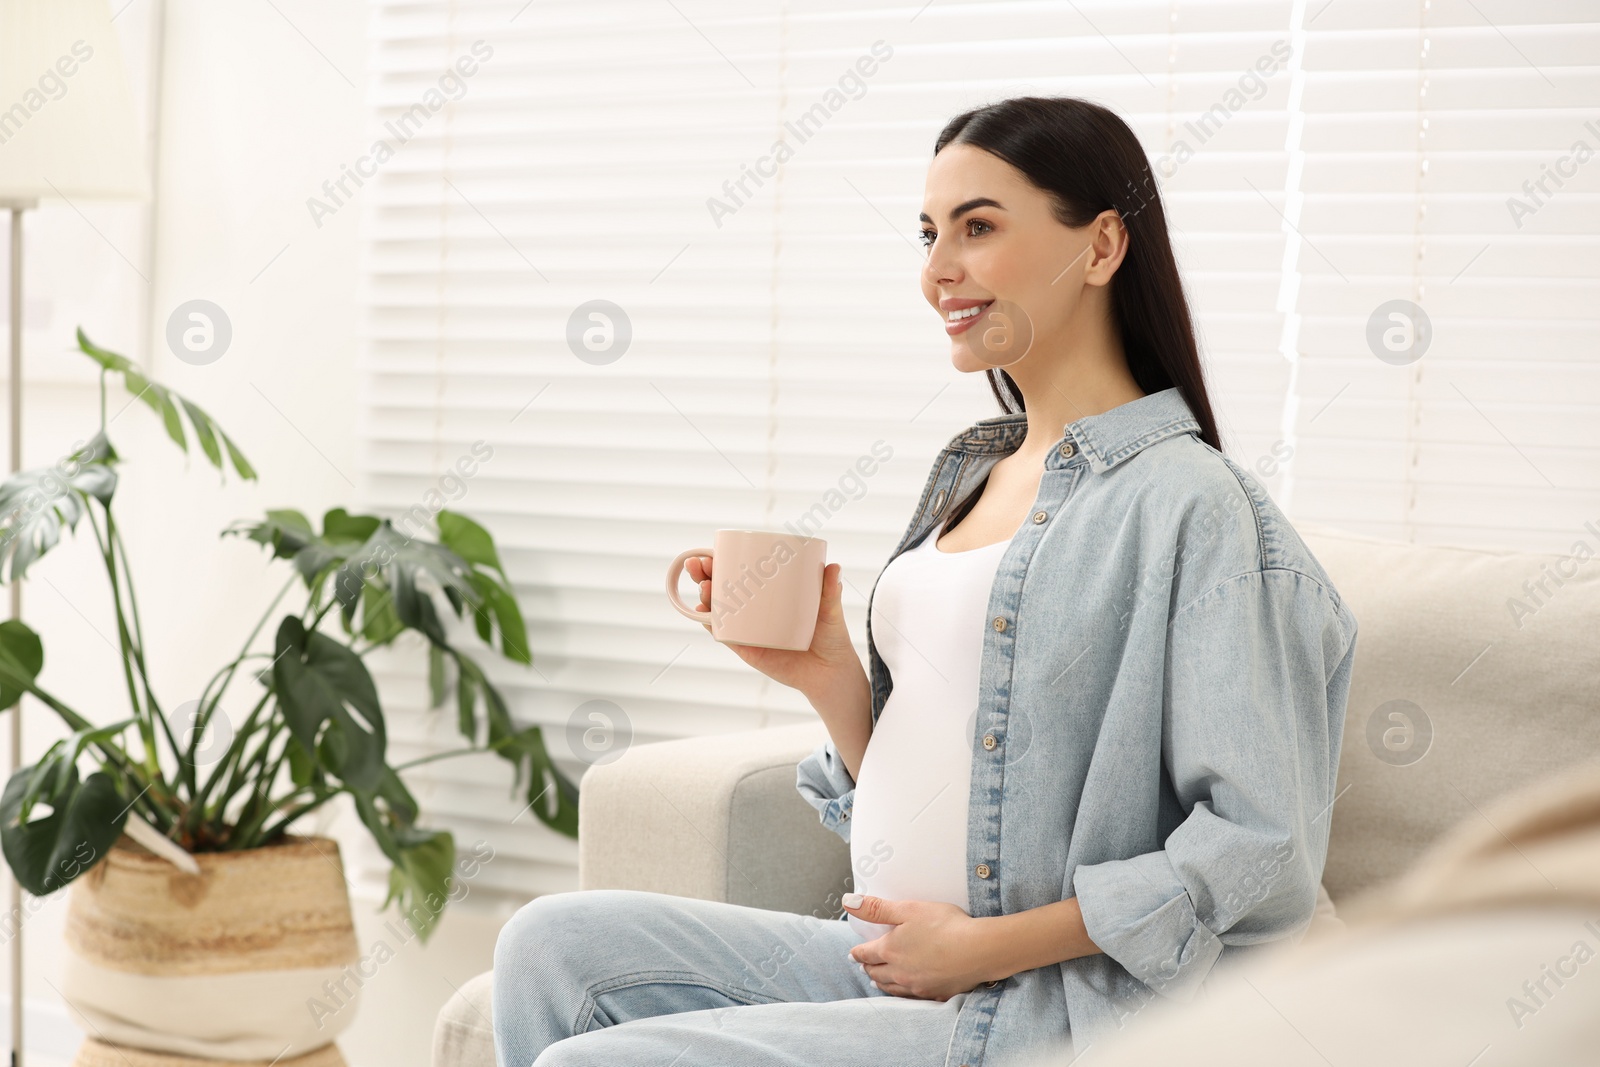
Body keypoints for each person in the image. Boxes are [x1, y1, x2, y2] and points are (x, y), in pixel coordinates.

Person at [491, 95, 1358, 1067]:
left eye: (978, 227)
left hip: (1054, 1005)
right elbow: (949, 767)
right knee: (549, 946)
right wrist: (826, 675)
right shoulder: (972, 467)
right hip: (909, 965)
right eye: (928, 232)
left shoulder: (1191, 507)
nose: (937, 269)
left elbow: (1261, 847)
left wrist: (984, 945)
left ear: (1102, 245)